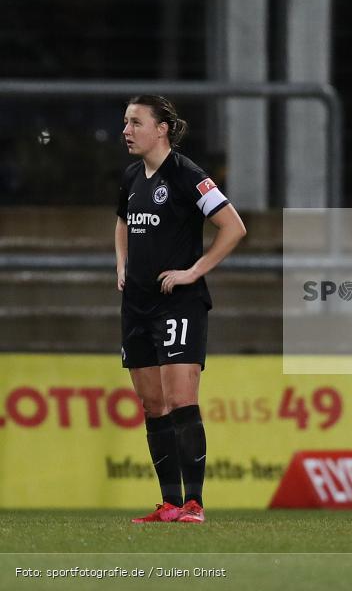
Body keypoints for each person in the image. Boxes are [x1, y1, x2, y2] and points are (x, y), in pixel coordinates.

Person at [115, 95, 246, 523]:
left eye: (135, 122)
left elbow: (233, 226)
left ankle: (195, 503)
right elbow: (122, 220)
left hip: (178, 305)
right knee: (152, 406)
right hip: (136, 306)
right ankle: (170, 503)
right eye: (126, 122)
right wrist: (121, 263)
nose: (127, 130)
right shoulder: (133, 176)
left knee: (180, 400)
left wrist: (194, 270)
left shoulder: (188, 175)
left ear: (161, 129)